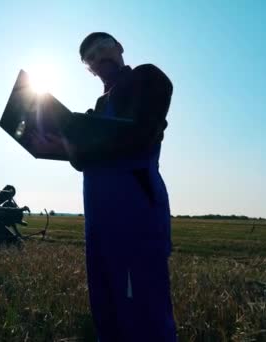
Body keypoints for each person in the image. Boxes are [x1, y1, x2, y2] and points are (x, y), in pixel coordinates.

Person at [71, 32, 177, 341]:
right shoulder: (96, 108)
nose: (98, 57)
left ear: (119, 48)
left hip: (135, 211)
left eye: (103, 47)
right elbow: (80, 161)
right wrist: (56, 141)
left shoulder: (147, 77)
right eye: (90, 57)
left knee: (145, 310)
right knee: (106, 307)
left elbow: (139, 134)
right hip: (98, 220)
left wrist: (80, 144)